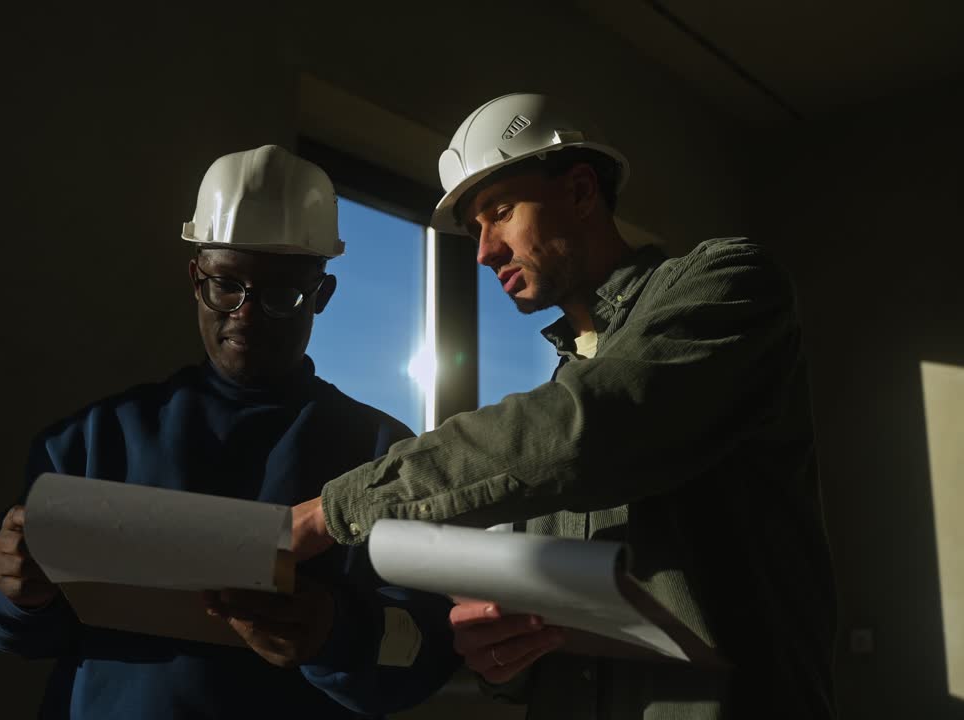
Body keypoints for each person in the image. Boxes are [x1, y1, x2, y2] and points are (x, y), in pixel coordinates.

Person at [291, 93, 838, 718]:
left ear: (581, 191)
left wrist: (331, 511)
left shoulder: (732, 286)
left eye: (499, 213)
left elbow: (591, 426)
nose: (484, 251)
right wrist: (501, 659)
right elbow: (540, 646)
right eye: (474, 230)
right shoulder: (536, 442)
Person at [0, 145, 459, 719]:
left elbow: (428, 648)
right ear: (196, 277)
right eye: (227, 285)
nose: (245, 314)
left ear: (322, 295)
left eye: (280, 294)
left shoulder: (383, 457)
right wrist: (8, 590)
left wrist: (338, 633)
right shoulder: (96, 439)